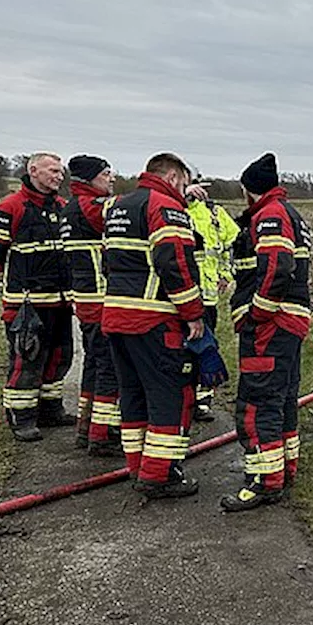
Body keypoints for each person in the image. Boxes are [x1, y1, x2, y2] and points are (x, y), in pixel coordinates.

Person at [102, 153, 205, 499]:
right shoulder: (164, 207)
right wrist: (193, 312)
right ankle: (160, 476)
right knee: (167, 396)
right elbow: (174, 262)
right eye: (185, 182)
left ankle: (138, 467)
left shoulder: (119, 206)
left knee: (132, 394)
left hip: (116, 316)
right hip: (154, 319)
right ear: (174, 177)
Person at [223, 153, 312, 512]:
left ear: (248, 191)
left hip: (271, 326)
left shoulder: (271, 215)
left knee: (259, 403)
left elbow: (277, 268)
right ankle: (284, 470)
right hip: (287, 324)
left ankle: (264, 482)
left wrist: (257, 314)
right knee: (282, 399)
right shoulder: (288, 213)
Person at [0, 152, 75, 442]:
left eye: (61, 172)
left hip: (59, 301)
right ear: (33, 170)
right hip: (27, 305)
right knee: (27, 360)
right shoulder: (11, 207)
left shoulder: (62, 207)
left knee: (60, 357)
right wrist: (7, 276)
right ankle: (21, 417)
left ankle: (51, 409)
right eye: (53, 171)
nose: (59, 176)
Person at [61, 155, 122, 456]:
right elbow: (124, 211)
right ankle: (102, 434)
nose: (112, 179)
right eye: (107, 174)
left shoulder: (70, 207)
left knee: (94, 363)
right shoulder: (90, 206)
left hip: (86, 300)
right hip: (100, 301)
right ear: (89, 179)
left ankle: (86, 427)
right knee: (109, 365)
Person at [185, 191, 240, 421]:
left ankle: (203, 399)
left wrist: (226, 274)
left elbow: (231, 244)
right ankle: (183, 399)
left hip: (207, 296)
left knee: (206, 348)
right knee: (182, 350)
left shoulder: (216, 213)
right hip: (178, 297)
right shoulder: (173, 209)